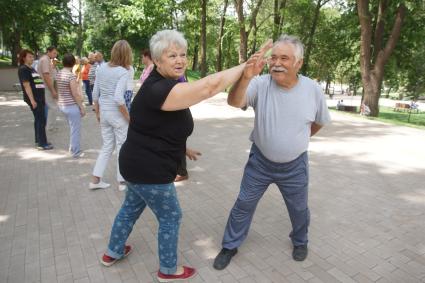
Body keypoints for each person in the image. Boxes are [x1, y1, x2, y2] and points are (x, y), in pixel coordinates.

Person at [100, 30, 272, 283]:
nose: (180, 60)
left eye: (183, 54)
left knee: (130, 208)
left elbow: (153, 127)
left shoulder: (166, 83)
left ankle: (112, 252)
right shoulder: (158, 89)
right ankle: (168, 271)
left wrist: (181, 148)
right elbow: (209, 86)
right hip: (150, 171)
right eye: (172, 55)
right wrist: (245, 66)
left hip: (134, 164)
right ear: (157, 61)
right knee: (171, 216)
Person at [213, 34, 331, 271]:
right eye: (273, 57)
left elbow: (319, 121)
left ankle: (300, 241)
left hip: (295, 166)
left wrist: (297, 140)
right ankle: (230, 245)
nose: (276, 62)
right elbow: (234, 102)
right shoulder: (260, 83)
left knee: (299, 208)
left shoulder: (312, 89)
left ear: (298, 63)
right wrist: (246, 77)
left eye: (284, 58)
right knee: (243, 203)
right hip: (260, 163)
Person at [89, 41, 132, 191]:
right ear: (127, 54)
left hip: (104, 113)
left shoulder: (101, 69)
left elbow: (95, 94)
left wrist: (98, 113)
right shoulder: (123, 72)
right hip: (118, 115)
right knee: (122, 146)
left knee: (107, 146)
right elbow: (119, 99)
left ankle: (95, 180)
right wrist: (129, 118)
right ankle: (122, 182)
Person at [17, 49, 53, 150]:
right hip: (35, 99)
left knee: (39, 119)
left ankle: (39, 140)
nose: (32, 58)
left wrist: (43, 98)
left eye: (32, 57)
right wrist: (32, 100)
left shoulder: (31, 68)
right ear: (24, 58)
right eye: (29, 57)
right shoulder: (23, 69)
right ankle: (42, 143)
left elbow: (38, 83)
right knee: (41, 119)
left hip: (40, 98)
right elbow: (26, 85)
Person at [56, 53, 86, 158]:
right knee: (75, 130)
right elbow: (75, 94)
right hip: (71, 107)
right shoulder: (71, 76)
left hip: (62, 105)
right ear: (73, 63)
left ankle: (72, 148)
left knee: (72, 128)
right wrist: (81, 107)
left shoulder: (59, 73)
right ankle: (75, 152)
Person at [38, 46, 59, 132]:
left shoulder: (48, 60)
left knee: (52, 106)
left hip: (48, 86)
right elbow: (46, 76)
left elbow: (51, 74)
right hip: (47, 87)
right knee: (53, 107)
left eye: (56, 53)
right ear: (48, 52)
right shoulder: (45, 60)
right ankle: (50, 127)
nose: (56, 54)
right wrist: (53, 90)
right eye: (54, 53)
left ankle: (51, 126)